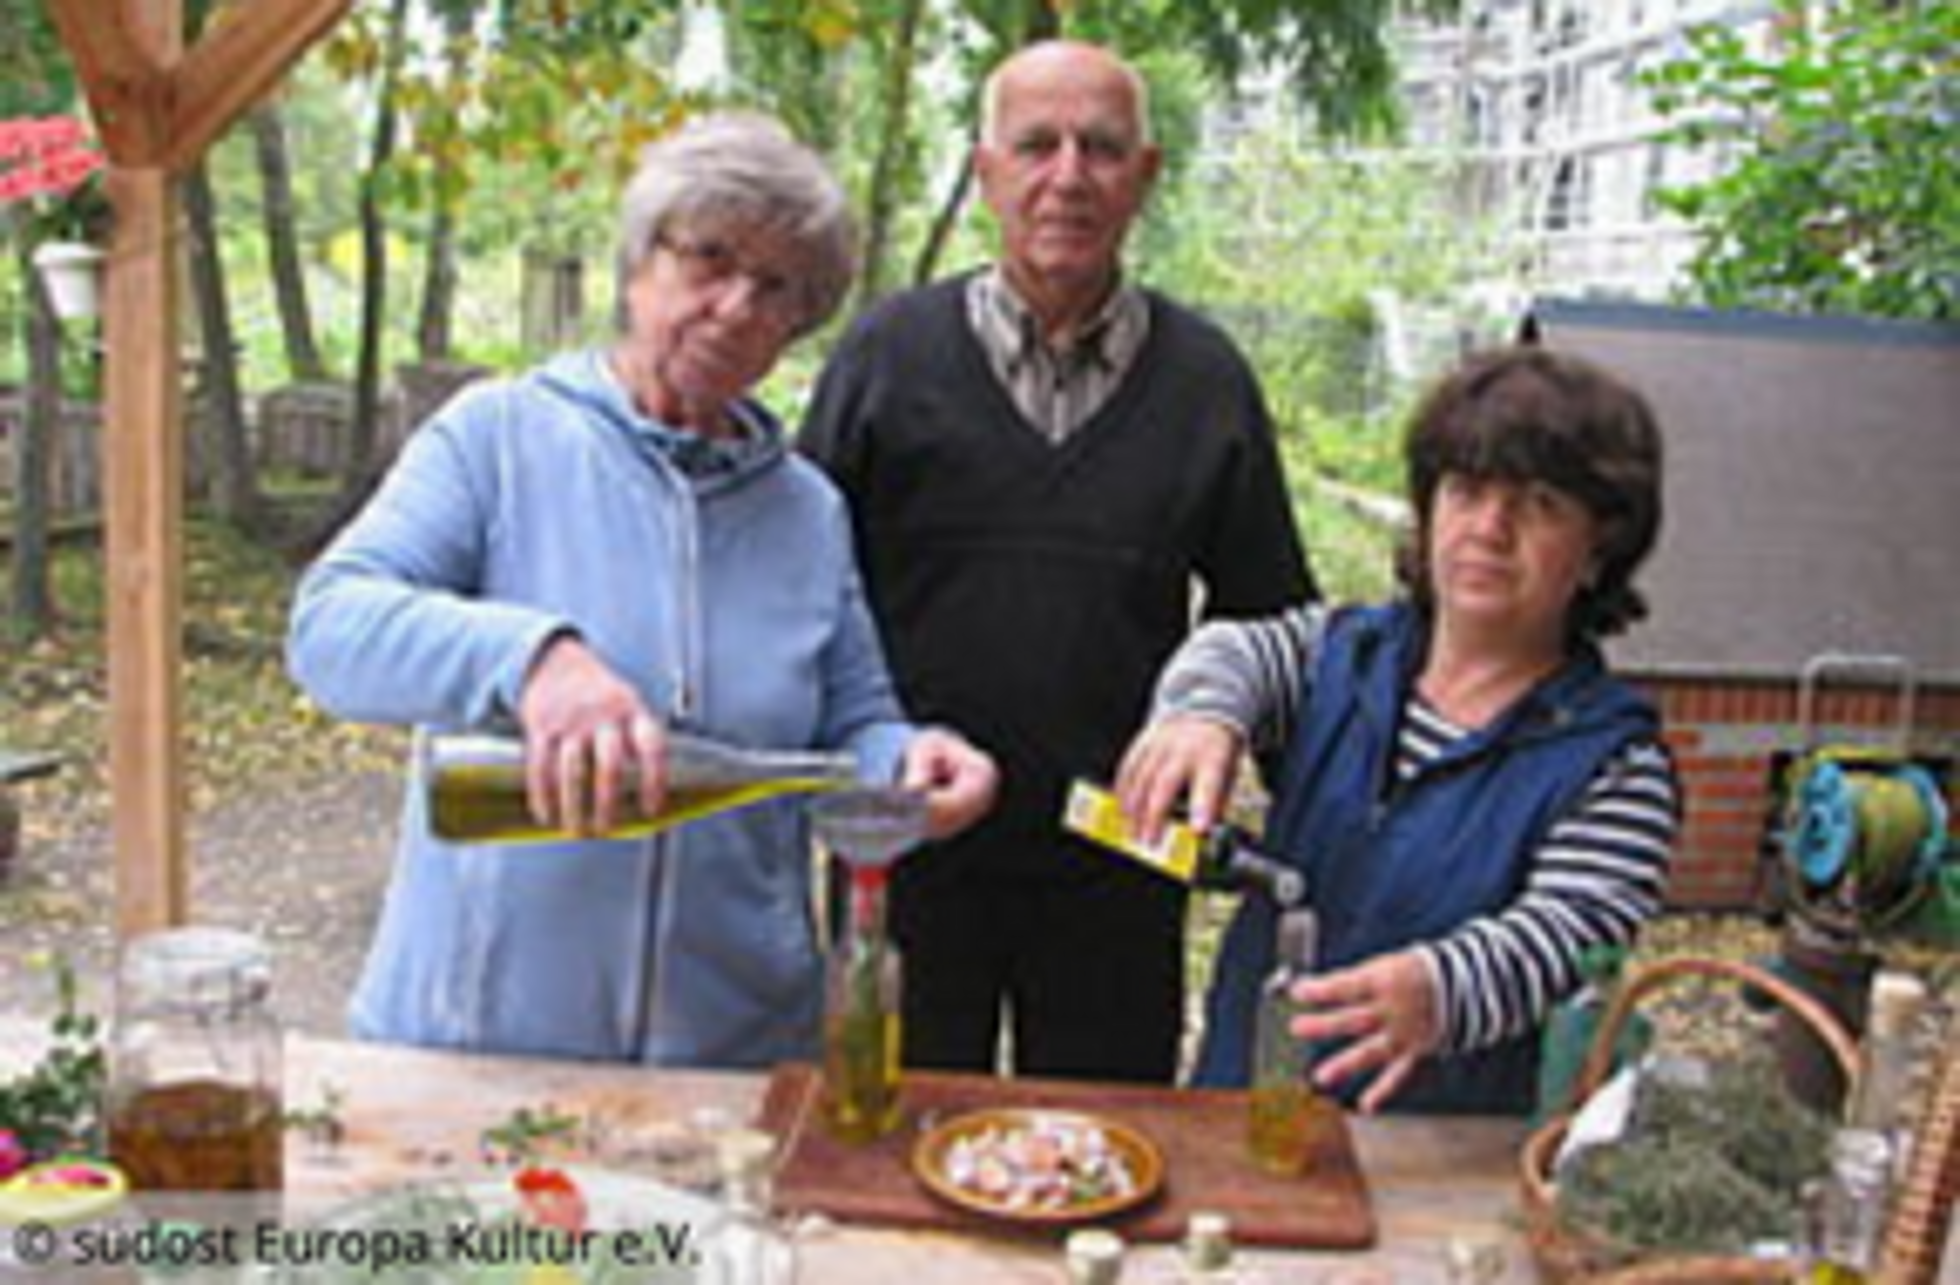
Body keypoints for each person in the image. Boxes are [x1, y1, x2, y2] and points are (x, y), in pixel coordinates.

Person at [287, 113, 997, 1069]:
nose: (737, 305)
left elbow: (854, 723)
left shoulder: (808, 511)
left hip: (734, 1061)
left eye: (777, 286)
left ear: (800, 322)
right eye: (709, 257)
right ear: (637, 266)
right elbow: (330, 628)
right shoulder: (497, 438)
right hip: (479, 1050)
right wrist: (535, 659)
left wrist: (913, 763)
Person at [798, 41, 1312, 1084]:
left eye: (1101, 148)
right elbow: (795, 594)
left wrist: (1276, 781)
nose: (1067, 175)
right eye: (1036, 144)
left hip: (1117, 871)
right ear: (985, 170)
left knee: (1098, 1166)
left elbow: (1274, 621)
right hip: (905, 857)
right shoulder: (884, 358)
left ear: (1147, 176)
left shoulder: (1207, 383)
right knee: (889, 1149)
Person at [1116, 346, 1680, 1114]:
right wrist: (1200, 714)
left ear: (1598, 549)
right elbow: (1235, 648)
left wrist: (1444, 988)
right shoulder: (1339, 655)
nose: (1490, 527)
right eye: (1467, 489)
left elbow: (1570, 934)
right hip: (1244, 1110)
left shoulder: (1615, 765)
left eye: (1540, 503)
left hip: (1434, 1161)